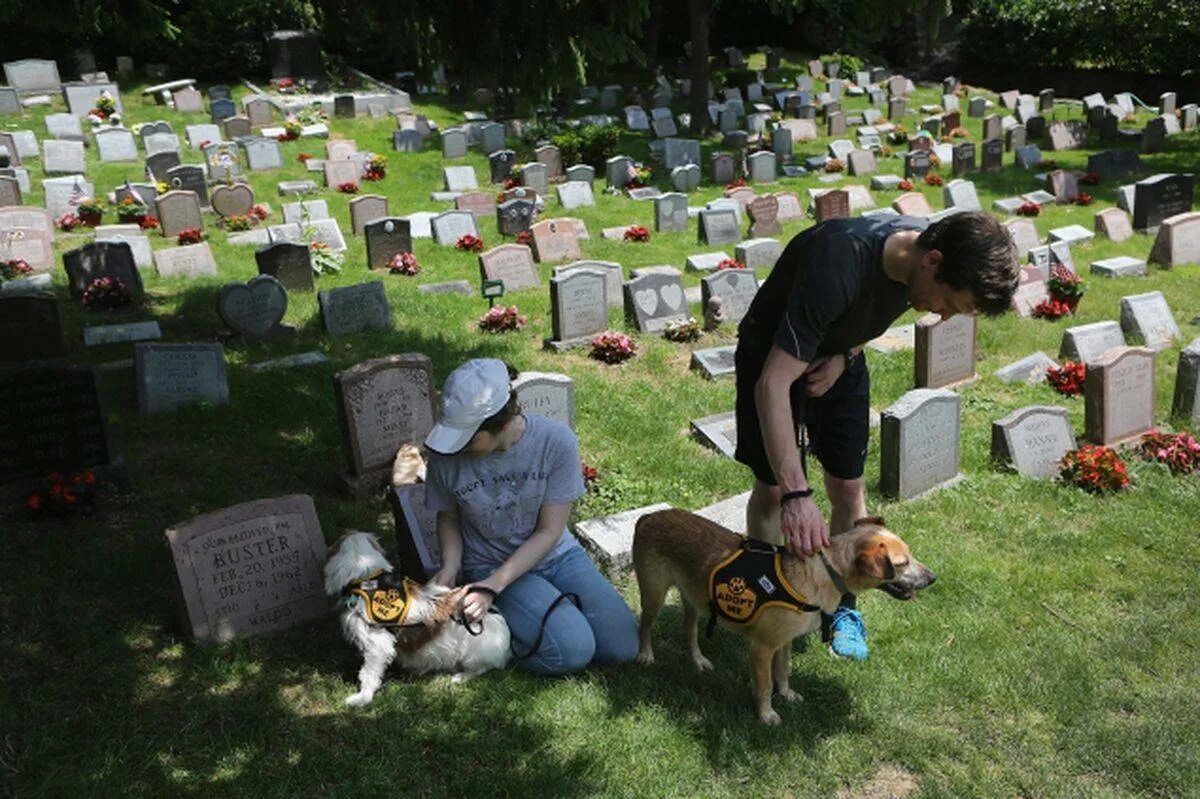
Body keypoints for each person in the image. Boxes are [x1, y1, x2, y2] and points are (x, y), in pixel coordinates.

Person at [734, 211, 1019, 659]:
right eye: (947, 302)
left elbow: (868, 315)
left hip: (837, 358)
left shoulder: (924, 260)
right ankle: (766, 596)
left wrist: (846, 354)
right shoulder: (839, 260)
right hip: (772, 358)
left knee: (849, 486)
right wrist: (796, 495)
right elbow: (773, 382)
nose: (942, 317)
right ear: (932, 260)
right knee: (772, 491)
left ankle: (842, 605)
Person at [424, 358, 639, 675]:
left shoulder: (556, 442)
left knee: (623, 647)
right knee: (573, 651)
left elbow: (549, 532)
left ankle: (527, 616)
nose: (457, 447)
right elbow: (449, 517)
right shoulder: (445, 457)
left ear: (501, 423)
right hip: (487, 565)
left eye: (467, 438)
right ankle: (492, 646)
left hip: (555, 555)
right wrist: (452, 566)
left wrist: (495, 587)